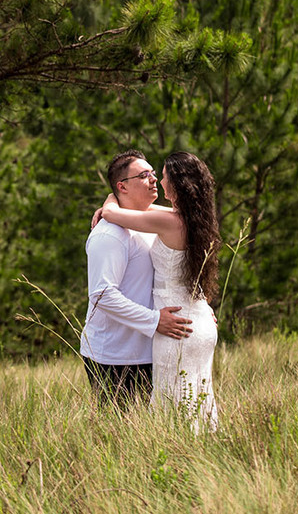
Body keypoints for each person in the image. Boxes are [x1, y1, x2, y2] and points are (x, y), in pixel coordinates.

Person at [94, 151, 220, 431]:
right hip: (198, 319)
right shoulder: (194, 218)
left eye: (161, 177)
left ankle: (179, 461)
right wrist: (118, 192)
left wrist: (112, 198)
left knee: (173, 407)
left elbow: (113, 213)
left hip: (176, 324)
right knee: (197, 399)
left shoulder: (169, 222)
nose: (157, 182)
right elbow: (138, 211)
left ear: (175, 185)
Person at [80, 150, 194, 407]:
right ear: (123, 186)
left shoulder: (150, 224)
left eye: (154, 173)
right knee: (117, 434)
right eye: (144, 175)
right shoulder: (109, 235)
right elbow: (102, 295)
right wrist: (155, 321)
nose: (154, 179)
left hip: (149, 349)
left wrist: (198, 307)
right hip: (114, 356)